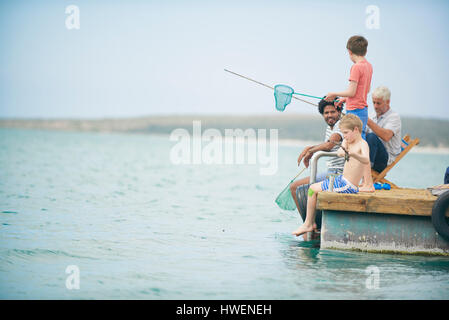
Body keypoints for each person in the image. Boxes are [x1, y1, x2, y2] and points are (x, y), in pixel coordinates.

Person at [292, 114, 371, 237]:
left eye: (346, 132)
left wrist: (354, 154)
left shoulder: (362, 144)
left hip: (348, 185)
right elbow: (340, 151)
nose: (344, 136)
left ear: (356, 130)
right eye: (343, 133)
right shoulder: (347, 140)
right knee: (312, 189)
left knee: (312, 190)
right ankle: (309, 222)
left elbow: (366, 160)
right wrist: (343, 149)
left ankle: (309, 223)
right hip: (341, 180)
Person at [325, 35, 374, 192]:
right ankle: (366, 182)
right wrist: (345, 99)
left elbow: (352, 90)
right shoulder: (368, 66)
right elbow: (363, 91)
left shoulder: (356, 67)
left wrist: (334, 94)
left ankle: (368, 184)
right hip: (362, 109)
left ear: (349, 51)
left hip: (355, 111)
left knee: (360, 147)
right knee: (362, 145)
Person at [289, 98, 345, 214]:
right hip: (330, 172)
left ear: (339, 112)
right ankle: (310, 223)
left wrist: (310, 151)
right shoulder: (329, 128)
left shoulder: (342, 125)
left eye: (333, 112)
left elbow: (330, 145)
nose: (329, 115)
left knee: (295, 188)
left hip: (339, 174)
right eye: (326, 113)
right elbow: (326, 144)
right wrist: (310, 149)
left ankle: (309, 225)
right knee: (295, 187)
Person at [366, 86, 402, 173]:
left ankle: (366, 171)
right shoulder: (372, 115)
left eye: (378, 103)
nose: (375, 106)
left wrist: (367, 120)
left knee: (371, 137)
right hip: (372, 154)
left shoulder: (394, 117)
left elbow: (386, 136)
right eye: (373, 102)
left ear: (388, 102)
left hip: (385, 160)